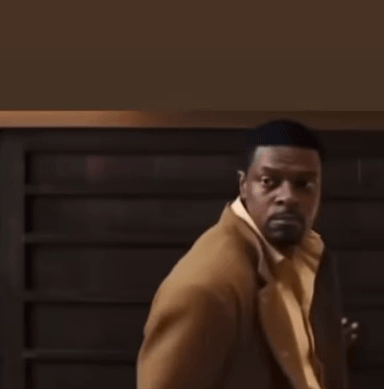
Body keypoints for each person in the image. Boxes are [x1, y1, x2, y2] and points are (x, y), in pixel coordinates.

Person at [136, 120, 357, 389]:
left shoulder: (311, 256)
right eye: (269, 181)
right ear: (243, 185)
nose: (287, 197)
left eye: (304, 184)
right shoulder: (207, 286)